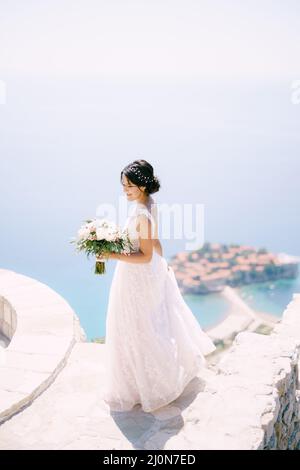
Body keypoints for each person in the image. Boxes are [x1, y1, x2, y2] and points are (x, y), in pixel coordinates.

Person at [98, 159, 216, 413]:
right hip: (145, 274)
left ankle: (147, 386)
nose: (124, 191)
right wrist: (164, 265)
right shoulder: (149, 204)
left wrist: (111, 255)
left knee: (136, 327)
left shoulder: (142, 214)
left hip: (136, 277)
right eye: (123, 186)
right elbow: (154, 244)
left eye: (129, 186)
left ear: (141, 186)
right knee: (147, 326)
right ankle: (141, 382)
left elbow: (145, 255)